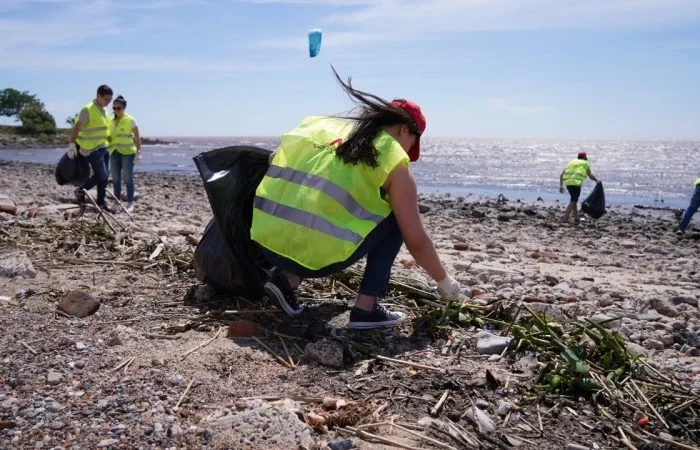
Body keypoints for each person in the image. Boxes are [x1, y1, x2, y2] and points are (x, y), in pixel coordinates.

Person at [250, 70, 462, 330]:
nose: (407, 151)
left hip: (267, 244)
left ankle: (287, 280)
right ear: (404, 129)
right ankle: (366, 309)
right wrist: (445, 283)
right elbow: (416, 240)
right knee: (397, 219)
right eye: (412, 143)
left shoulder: (319, 127)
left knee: (313, 199)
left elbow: (274, 161)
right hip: (315, 260)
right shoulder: (391, 156)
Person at [67, 85, 114, 211]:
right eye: (106, 99)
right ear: (98, 96)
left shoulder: (104, 110)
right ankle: (81, 190)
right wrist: (72, 145)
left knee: (104, 176)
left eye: (110, 100)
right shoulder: (87, 109)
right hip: (90, 148)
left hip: (103, 146)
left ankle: (101, 203)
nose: (108, 102)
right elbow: (77, 127)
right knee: (101, 174)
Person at [108, 95, 141, 213]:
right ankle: (117, 202)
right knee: (116, 178)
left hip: (128, 153)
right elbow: (109, 136)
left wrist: (138, 152)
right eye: (114, 108)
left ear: (124, 107)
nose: (116, 110)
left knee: (127, 178)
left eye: (119, 108)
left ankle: (130, 203)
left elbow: (137, 136)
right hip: (114, 152)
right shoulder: (110, 121)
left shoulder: (130, 120)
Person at [559, 151, 599, 224]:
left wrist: (561, 186)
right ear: (584, 157)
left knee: (574, 199)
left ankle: (576, 217)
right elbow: (590, 175)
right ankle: (565, 218)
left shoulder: (571, 162)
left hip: (568, 183)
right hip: (576, 184)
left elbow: (561, 175)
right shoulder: (585, 163)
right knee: (573, 200)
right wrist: (597, 180)